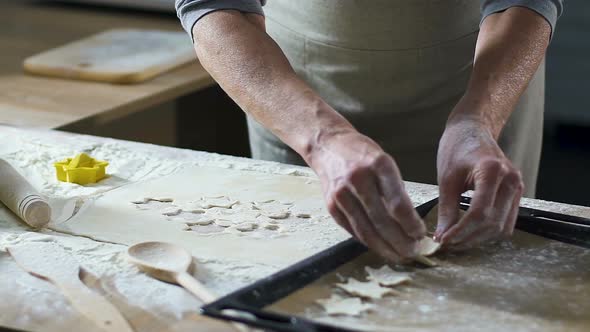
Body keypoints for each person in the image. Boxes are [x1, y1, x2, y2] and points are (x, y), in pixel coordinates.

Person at [175, 0, 563, 262]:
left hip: (482, 76)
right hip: (297, 96)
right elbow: (214, 5)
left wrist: (480, 119)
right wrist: (322, 139)